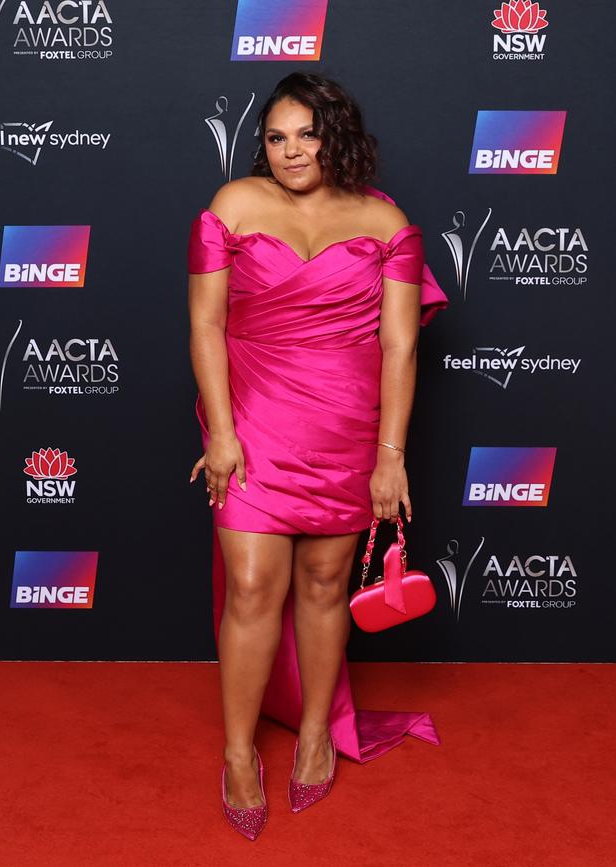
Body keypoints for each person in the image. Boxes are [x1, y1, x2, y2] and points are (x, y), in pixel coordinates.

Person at [187, 71, 448, 840]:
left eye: (307, 133)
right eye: (277, 136)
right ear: (260, 144)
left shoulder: (382, 218)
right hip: (256, 417)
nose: (292, 150)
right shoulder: (233, 205)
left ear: (336, 135)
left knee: (328, 581)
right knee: (251, 582)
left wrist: (390, 454)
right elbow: (206, 327)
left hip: (344, 422)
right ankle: (239, 752)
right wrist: (222, 432)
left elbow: (400, 343)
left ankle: (311, 737)